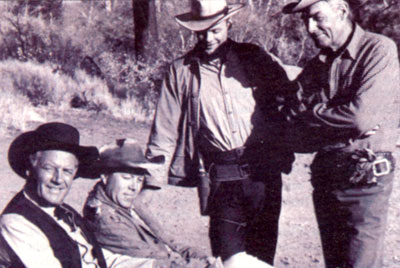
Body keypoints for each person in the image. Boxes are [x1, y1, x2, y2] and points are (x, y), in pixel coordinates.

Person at [142, 0, 294, 266]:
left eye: (215, 30)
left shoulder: (255, 58)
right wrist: (149, 181)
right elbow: (164, 131)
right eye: (201, 32)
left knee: (261, 260)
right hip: (221, 180)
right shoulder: (180, 71)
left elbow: (292, 94)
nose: (208, 38)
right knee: (230, 260)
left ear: (229, 24)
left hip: (263, 174)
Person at [282, 0, 400, 267]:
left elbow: (360, 118)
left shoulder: (378, 50)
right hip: (326, 181)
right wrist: (334, 119)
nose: (310, 28)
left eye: (317, 17)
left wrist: (312, 114)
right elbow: (291, 126)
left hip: (365, 183)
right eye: (305, 21)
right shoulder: (315, 67)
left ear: (341, 11)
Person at [0, 122, 155, 268]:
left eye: (67, 171)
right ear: (29, 169)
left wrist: (152, 265)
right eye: (49, 168)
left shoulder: (65, 212)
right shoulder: (16, 222)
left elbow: (96, 257)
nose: (58, 179)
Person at [83, 139, 216, 268]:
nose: (134, 187)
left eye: (140, 179)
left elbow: (171, 242)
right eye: (127, 178)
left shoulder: (130, 203)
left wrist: (205, 259)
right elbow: (155, 260)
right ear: (105, 177)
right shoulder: (106, 219)